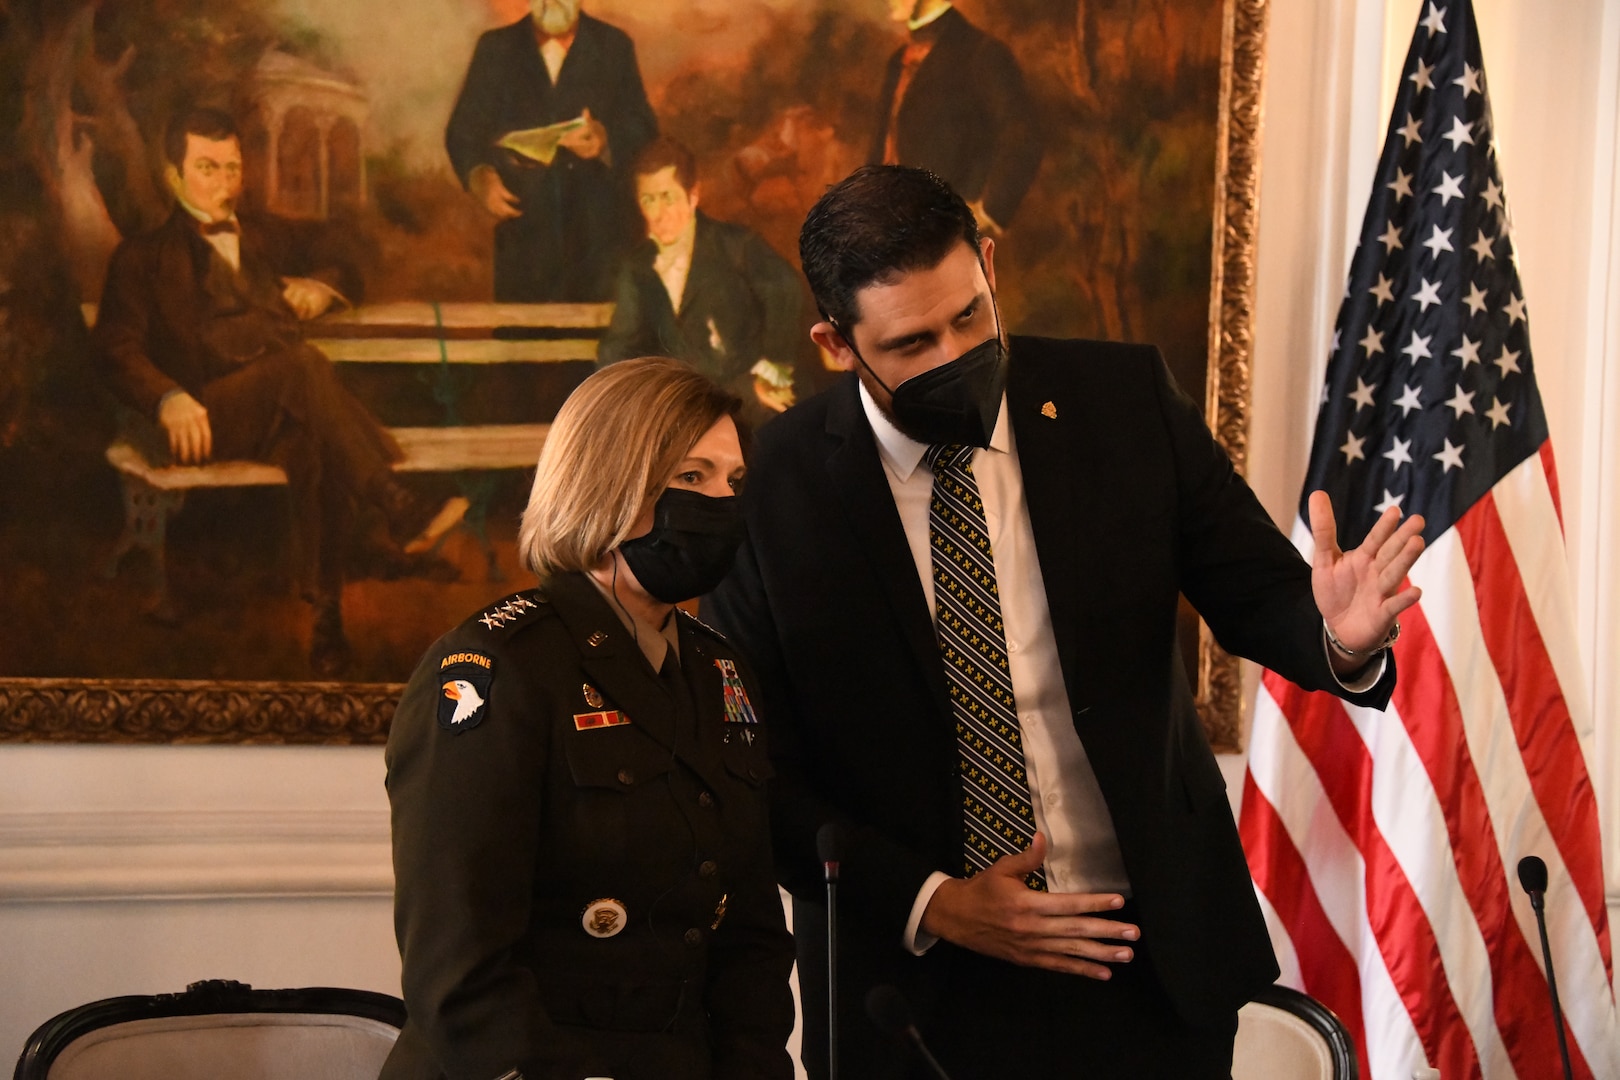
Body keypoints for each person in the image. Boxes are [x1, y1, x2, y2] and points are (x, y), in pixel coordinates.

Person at [703, 166, 1425, 1077]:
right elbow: (747, 766)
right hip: (919, 989)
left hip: (1149, 962)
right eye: (911, 342)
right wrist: (933, 902)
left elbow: (1261, 593)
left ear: (991, 265)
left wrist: (1338, 638)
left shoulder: (1119, 401)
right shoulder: (775, 484)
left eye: (968, 317)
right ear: (835, 343)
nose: (951, 357)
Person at [383, 357, 796, 1080]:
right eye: (691, 477)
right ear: (610, 480)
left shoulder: (720, 670)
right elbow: (460, 973)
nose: (721, 503)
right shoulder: (496, 667)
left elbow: (750, 937)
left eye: (733, 482)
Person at [94, 106, 466, 676]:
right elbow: (115, 351)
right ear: (174, 176)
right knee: (301, 367)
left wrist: (322, 286)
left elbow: (350, 258)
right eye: (208, 168)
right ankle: (394, 501)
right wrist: (167, 397)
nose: (225, 183)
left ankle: (326, 620)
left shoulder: (267, 237)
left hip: (282, 412)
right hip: (201, 417)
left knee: (312, 446)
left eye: (233, 168)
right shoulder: (142, 256)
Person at [446, 0, 658, 302]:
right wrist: (479, 176)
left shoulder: (614, 46)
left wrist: (604, 139)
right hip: (525, 246)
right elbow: (462, 133)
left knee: (609, 344)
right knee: (525, 346)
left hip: (603, 244)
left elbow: (645, 131)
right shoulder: (495, 49)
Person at [598, 137, 813, 427]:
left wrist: (774, 369)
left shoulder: (736, 247)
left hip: (746, 399)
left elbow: (786, 291)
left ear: (693, 194)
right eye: (648, 200)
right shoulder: (637, 270)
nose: (658, 214)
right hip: (678, 407)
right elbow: (619, 347)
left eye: (668, 197)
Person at [869, 0, 1044, 232]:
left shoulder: (982, 53)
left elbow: (1024, 135)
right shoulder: (897, 61)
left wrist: (988, 211)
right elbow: (883, 144)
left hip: (945, 231)